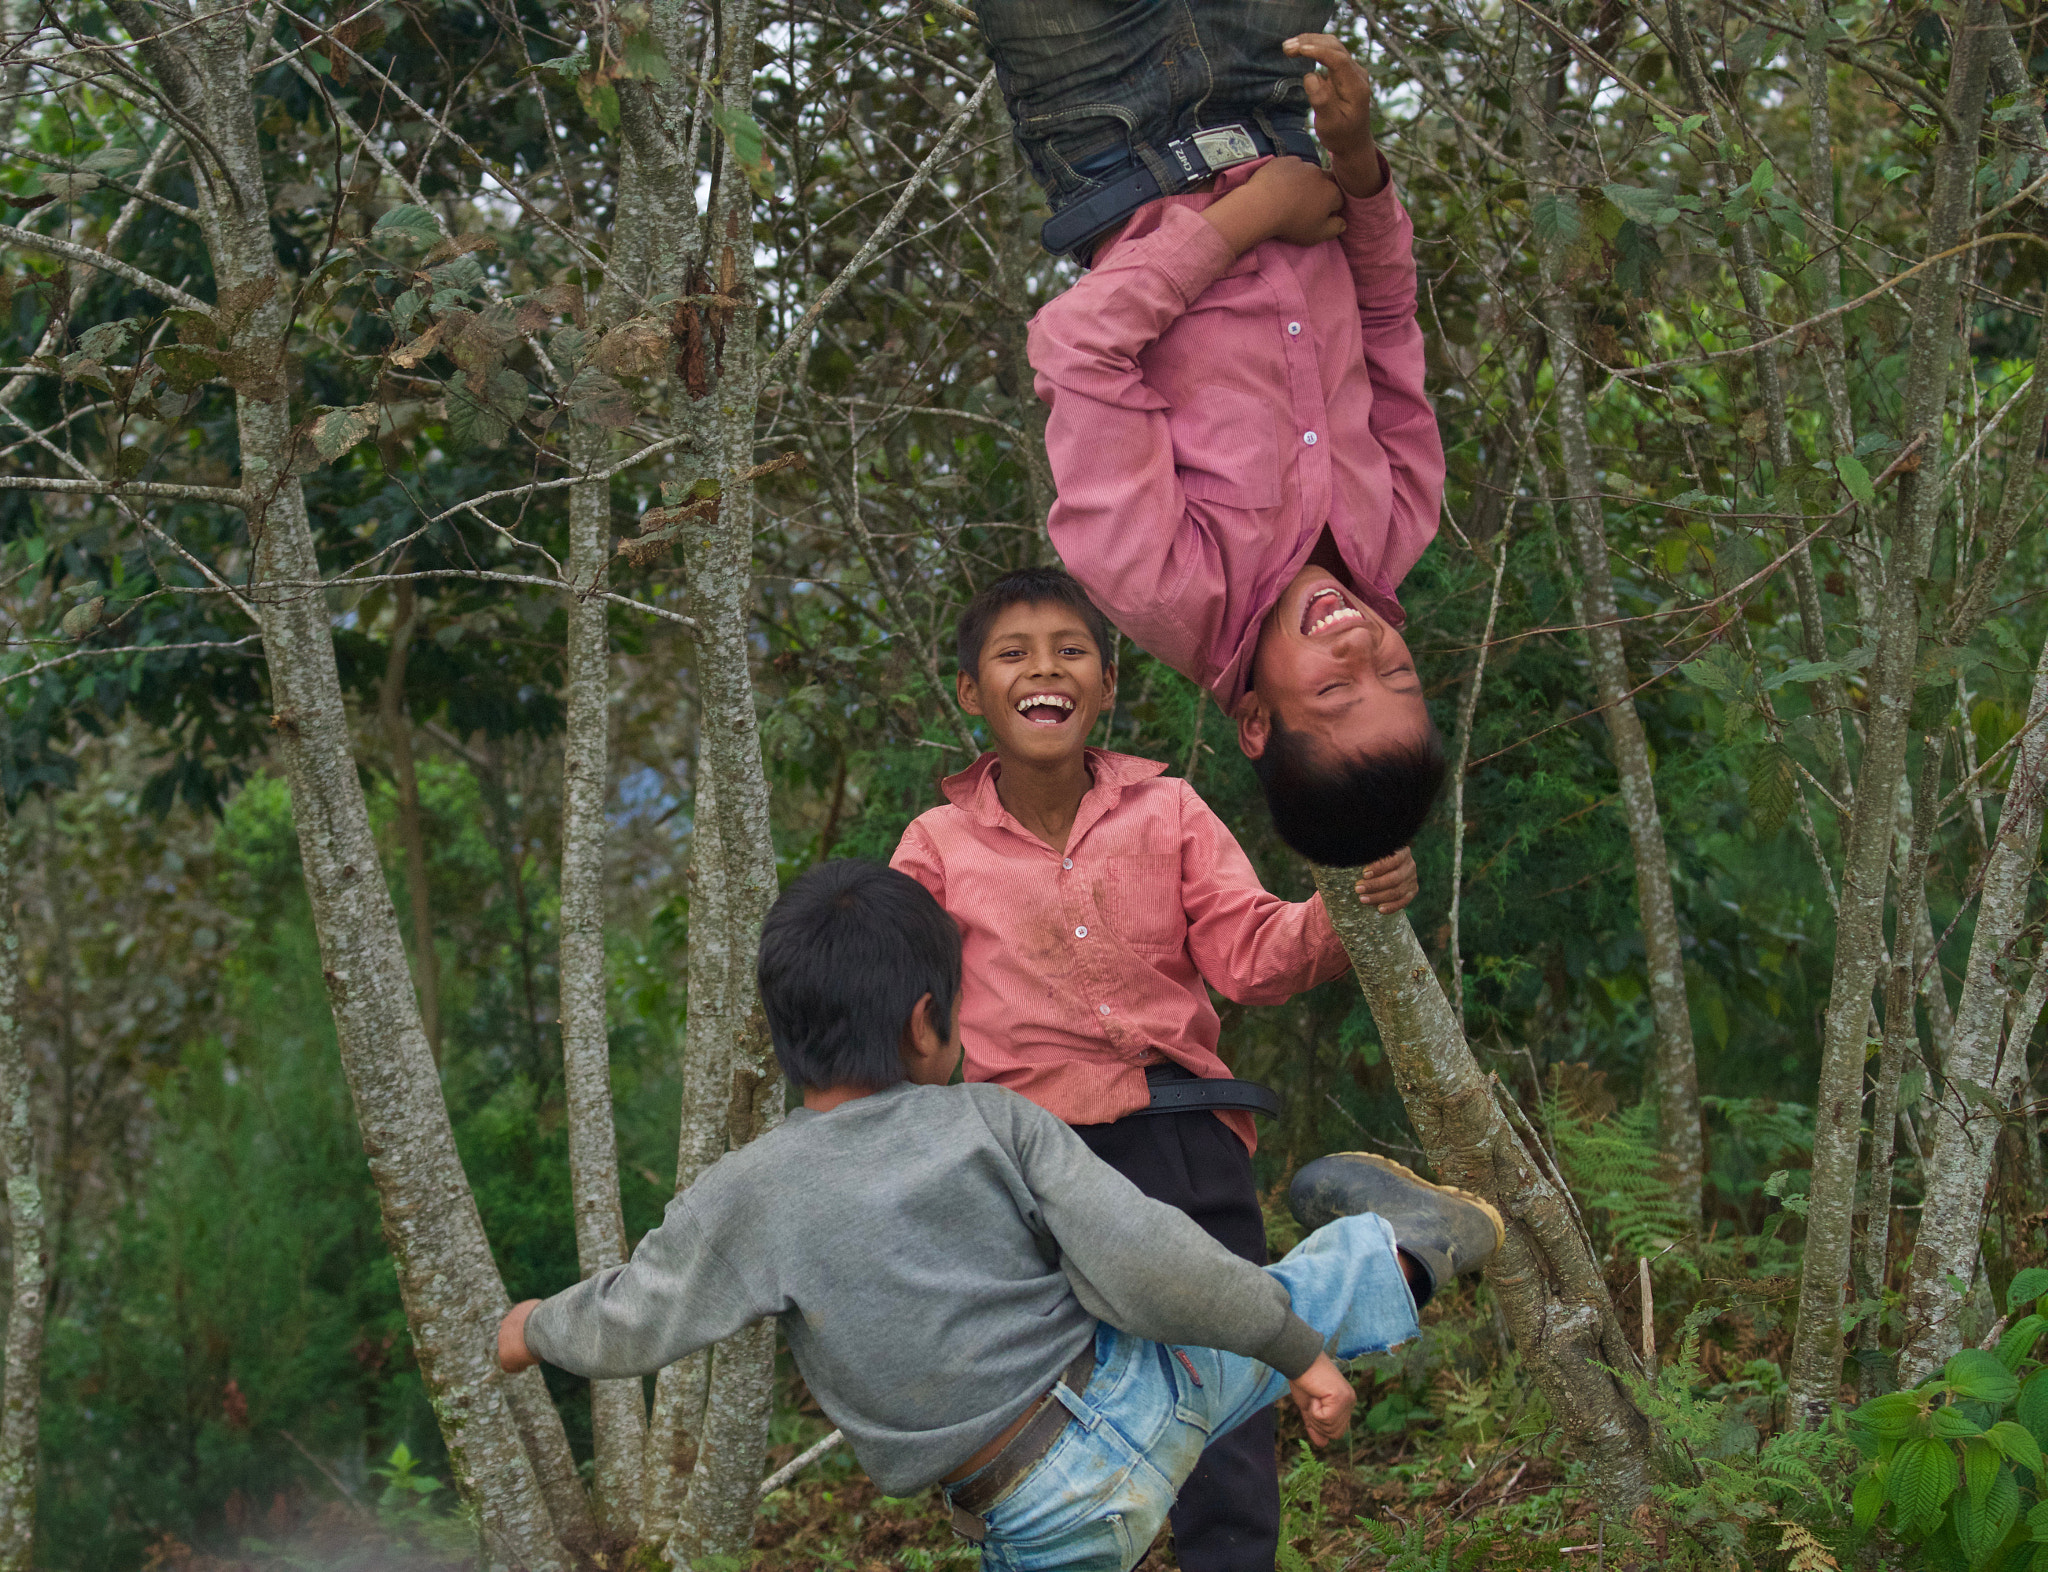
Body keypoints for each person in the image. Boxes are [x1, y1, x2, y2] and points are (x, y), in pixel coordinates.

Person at [495, 860, 1504, 1572]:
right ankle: (1395, 1256)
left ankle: (1372, 1267)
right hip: (1151, 1397)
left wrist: (533, 1328)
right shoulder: (992, 1120)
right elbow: (1151, 1259)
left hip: (1040, 1508)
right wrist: (1297, 1358)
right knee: (1279, 1298)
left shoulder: (750, 1192)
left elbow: (637, 1315)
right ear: (926, 1025)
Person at [889, 565, 1416, 1572]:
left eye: (1069, 650)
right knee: (1054, 1417)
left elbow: (1250, 952)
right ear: (970, 693)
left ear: (1107, 682)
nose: (1043, 669)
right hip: (1028, 1170)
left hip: (1180, 1140)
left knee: (1224, 1385)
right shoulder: (934, 849)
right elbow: (899, 1018)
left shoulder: (1166, 812)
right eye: (1012, 654)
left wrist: (1348, 898)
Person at [973, 7, 1450, 868]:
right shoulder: (1404, 521)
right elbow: (1387, 317)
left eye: (1338, 688)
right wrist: (1357, 163)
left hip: (1109, 123)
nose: (1361, 648)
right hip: (1270, 99)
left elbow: (1078, 348)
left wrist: (1259, 213)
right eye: (1399, 675)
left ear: (1257, 723)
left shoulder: (1168, 584)